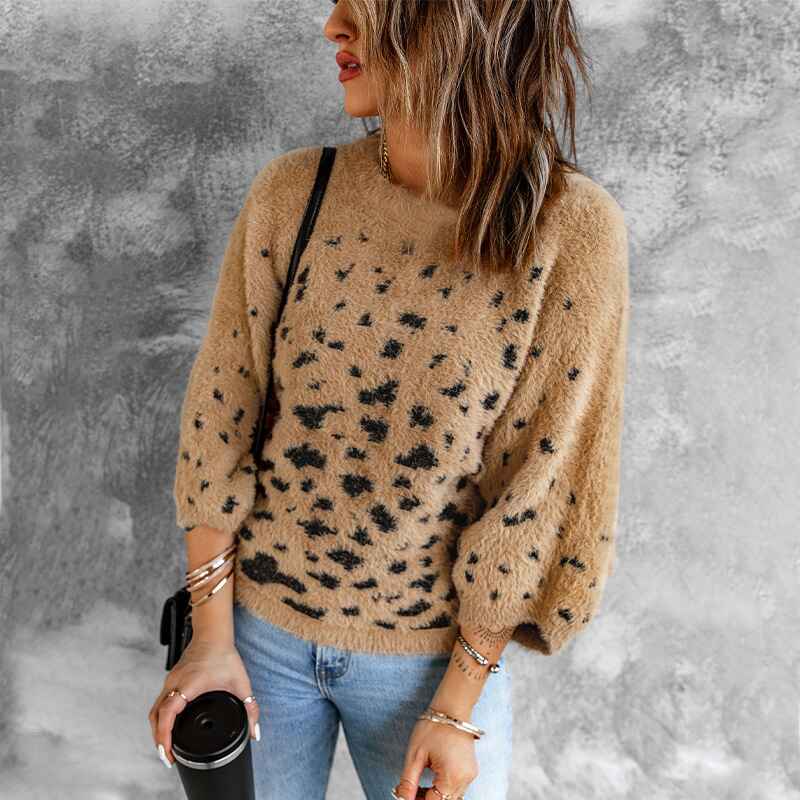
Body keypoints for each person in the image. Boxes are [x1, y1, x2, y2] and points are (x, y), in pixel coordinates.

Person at [148, 1, 630, 799]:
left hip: (432, 670)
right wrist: (209, 638)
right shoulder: (295, 192)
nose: (334, 27)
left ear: (456, 21)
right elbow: (220, 416)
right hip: (256, 639)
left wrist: (456, 708)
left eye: (367, 7)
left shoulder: (569, 229)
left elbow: (543, 492)